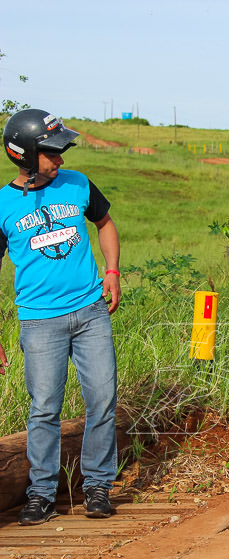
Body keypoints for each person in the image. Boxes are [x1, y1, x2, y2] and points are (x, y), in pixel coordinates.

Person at [0, 109, 121, 525]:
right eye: (52, 153)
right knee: (44, 408)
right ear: (26, 155)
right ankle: (40, 494)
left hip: (90, 312)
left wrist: (112, 271)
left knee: (102, 401)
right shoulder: (3, 204)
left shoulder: (78, 184)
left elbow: (104, 223)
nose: (61, 161)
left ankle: (98, 486)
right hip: (39, 322)